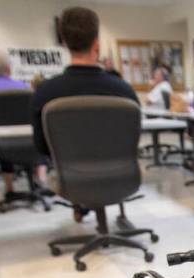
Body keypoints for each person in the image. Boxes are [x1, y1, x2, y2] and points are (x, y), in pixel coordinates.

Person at [30, 6, 138, 222]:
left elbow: (43, 148)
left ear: (64, 43)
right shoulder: (124, 91)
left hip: (71, 180)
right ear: (97, 44)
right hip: (122, 177)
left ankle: (81, 208)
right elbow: (132, 143)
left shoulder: (45, 93)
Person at [0, 48, 48, 201]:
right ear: (9, 67)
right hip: (28, 140)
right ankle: (41, 180)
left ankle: (9, 188)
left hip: (0, 143)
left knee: (2, 143)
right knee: (41, 140)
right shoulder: (23, 87)